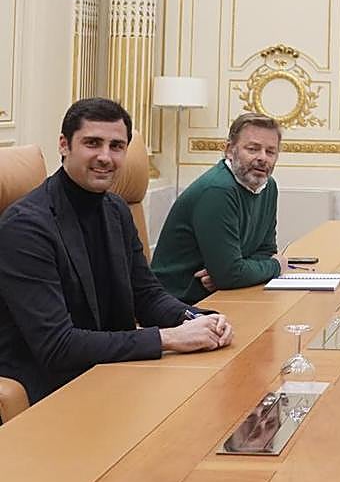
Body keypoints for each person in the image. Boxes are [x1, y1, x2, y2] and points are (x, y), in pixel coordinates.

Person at [0, 98, 233, 407]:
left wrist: (198, 319)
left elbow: (147, 294)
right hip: (53, 389)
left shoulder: (116, 209)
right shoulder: (26, 227)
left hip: (115, 371)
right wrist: (170, 338)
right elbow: (58, 346)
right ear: (64, 145)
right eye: (92, 143)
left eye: (116, 146)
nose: (105, 157)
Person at [153, 113, 285, 303]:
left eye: (270, 152)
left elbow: (266, 250)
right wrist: (276, 266)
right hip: (180, 304)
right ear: (230, 150)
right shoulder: (218, 190)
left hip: (224, 296)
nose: (262, 158)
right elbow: (232, 274)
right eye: (253, 149)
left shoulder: (268, 186)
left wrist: (233, 273)